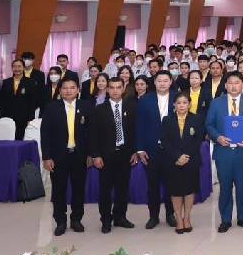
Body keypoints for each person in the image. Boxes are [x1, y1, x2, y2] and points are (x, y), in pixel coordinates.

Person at [38, 76, 92, 236]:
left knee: (78, 189)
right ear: (60, 91)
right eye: (65, 88)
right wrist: (46, 157)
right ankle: (60, 221)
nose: (68, 91)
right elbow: (45, 134)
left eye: (72, 87)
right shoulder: (51, 107)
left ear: (78, 90)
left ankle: (76, 219)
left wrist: (90, 154)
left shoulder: (86, 106)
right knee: (58, 190)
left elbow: (91, 133)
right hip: (58, 156)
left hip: (79, 155)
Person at [205, 71, 243, 232]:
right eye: (230, 83)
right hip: (223, 152)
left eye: (237, 82)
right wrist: (218, 137)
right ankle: (225, 219)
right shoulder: (216, 103)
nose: (233, 86)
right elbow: (209, 125)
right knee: (225, 187)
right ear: (225, 85)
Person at [90, 76, 137, 233]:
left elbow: (135, 132)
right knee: (105, 189)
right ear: (107, 89)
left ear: (123, 89)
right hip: (106, 156)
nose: (115, 90)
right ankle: (106, 219)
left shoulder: (131, 107)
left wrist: (134, 152)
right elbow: (93, 135)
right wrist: (96, 155)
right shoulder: (98, 110)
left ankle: (120, 217)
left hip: (125, 154)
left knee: (122, 188)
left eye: (118, 87)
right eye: (112, 87)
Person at [135, 70, 176, 229]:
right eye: (159, 81)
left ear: (171, 82)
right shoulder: (145, 100)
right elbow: (139, 125)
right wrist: (139, 148)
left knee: (171, 184)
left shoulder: (178, 98)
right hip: (151, 150)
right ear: (154, 82)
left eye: (166, 80)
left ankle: (170, 214)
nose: (162, 83)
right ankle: (153, 216)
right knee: (152, 185)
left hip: (172, 149)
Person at [160, 92, 204, 234]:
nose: (182, 105)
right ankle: (179, 219)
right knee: (176, 191)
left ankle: (187, 218)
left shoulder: (196, 119)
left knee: (189, 190)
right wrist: (177, 157)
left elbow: (198, 140)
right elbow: (165, 141)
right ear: (174, 105)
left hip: (191, 160)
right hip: (173, 162)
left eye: (185, 102)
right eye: (179, 103)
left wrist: (186, 157)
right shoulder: (167, 120)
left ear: (189, 104)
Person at [0, 58, 40, 140]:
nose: (17, 69)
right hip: (8, 117)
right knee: (8, 139)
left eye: (19, 66)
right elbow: (2, 100)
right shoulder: (6, 82)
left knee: (20, 139)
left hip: (23, 117)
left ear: (24, 68)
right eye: (14, 66)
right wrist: (1, 117)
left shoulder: (30, 82)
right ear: (12, 68)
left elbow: (32, 102)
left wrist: (30, 119)